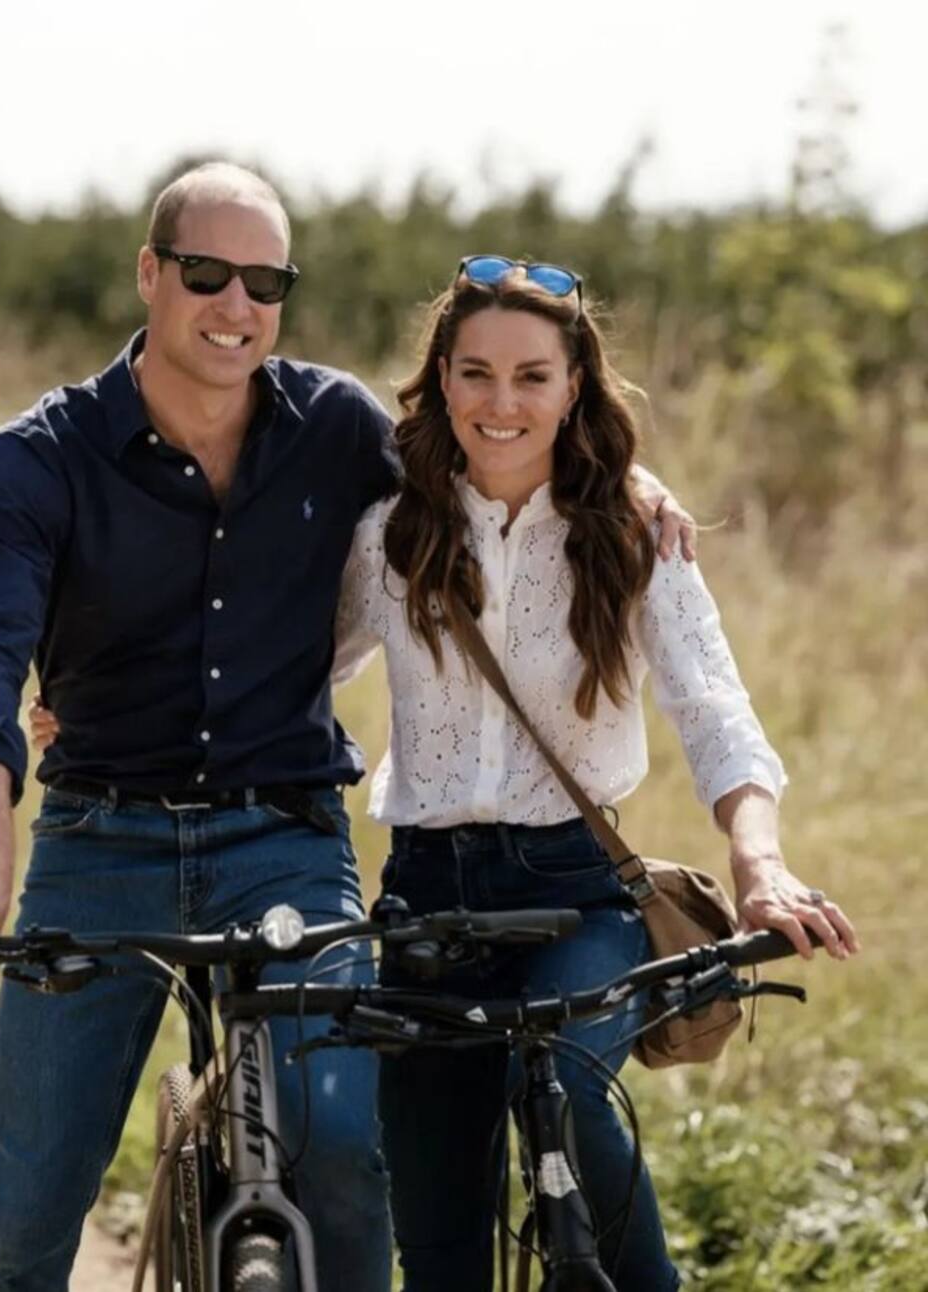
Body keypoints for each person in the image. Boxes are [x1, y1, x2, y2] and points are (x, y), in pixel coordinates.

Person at [0, 160, 694, 1292]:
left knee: (341, 1152)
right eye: (206, 273)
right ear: (150, 273)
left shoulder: (334, 427)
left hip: (281, 840)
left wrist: (629, 482)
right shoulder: (39, 458)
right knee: (26, 1218)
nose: (236, 305)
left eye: (266, 282)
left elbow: (491, 447)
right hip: (98, 842)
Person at [323, 256, 860, 1291]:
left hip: (577, 890)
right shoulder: (390, 534)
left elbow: (715, 710)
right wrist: (106, 702)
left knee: (571, 1087)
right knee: (436, 1230)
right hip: (427, 895)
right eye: (476, 373)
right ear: (442, 380)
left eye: (532, 376)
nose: (502, 403)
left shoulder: (632, 532)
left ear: (575, 387)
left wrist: (760, 863)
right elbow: (294, 665)